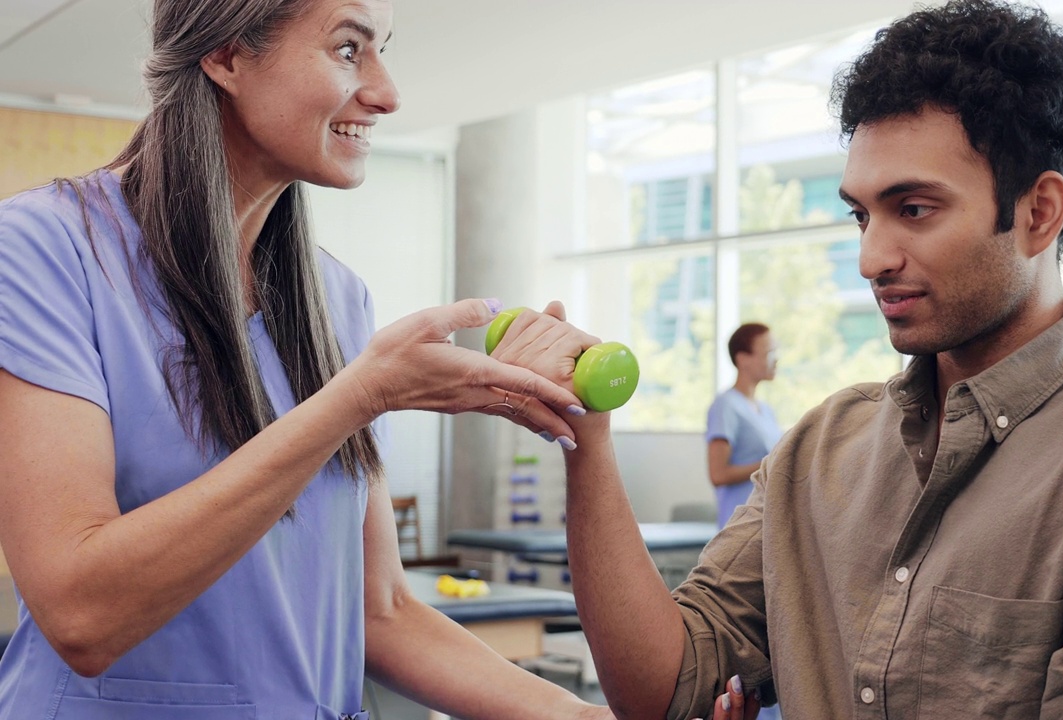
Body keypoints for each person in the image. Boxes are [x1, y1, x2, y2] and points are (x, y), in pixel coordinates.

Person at [498, 1, 1063, 718]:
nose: (872, 257)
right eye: (860, 215)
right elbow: (664, 686)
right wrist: (584, 437)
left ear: (1039, 212)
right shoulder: (820, 449)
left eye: (914, 209)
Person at [0, 1, 613, 717]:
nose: (386, 93)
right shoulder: (41, 252)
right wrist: (357, 397)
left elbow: (379, 611)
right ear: (226, 57)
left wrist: (588, 716)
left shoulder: (337, 299)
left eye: (381, 50)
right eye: (350, 49)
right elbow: (81, 613)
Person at [706, 323, 782, 529]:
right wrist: (772, 462)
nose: (776, 359)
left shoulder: (766, 410)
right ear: (742, 359)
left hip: (766, 522)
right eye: (769, 352)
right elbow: (718, 474)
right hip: (739, 524)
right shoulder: (725, 406)